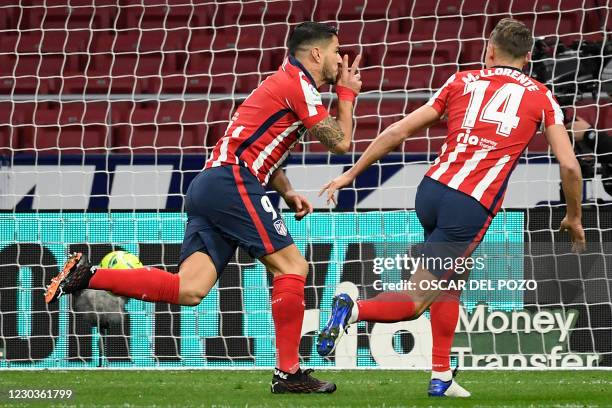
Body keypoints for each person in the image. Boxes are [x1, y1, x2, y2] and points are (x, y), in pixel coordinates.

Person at [45, 21, 362, 394]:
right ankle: (288, 373)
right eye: (337, 51)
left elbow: (261, 146)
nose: (342, 60)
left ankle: (87, 274)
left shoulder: (281, 82)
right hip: (231, 181)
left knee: (190, 290)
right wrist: (346, 93)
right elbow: (341, 143)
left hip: (210, 184)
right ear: (316, 53)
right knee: (292, 265)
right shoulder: (299, 85)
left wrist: (288, 191)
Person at [316, 18, 586, 398]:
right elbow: (571, 165)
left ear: (489, 51)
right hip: (469, 204)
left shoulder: (460, 80)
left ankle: (441, 376)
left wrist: (349, 176)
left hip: (431, 191)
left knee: (453, 280)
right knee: (414, 301)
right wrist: (574, 216)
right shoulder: (541, 96)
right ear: (527, 57)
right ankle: (353, 308)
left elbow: (398, 132)